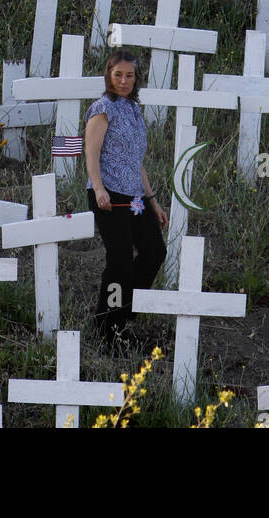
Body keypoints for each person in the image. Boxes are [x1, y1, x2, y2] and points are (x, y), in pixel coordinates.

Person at [85, 52, 168, 350]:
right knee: (119, 260)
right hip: (108, 194)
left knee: (155, 252)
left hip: (135, 196)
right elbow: (91, 153)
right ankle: (106, 327)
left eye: (129, 76)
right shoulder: (102, 109)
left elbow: (137, 162)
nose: (123, 81)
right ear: (108, 75)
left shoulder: (134, 110)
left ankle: (122, 315)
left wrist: (153, 201)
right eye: (118, 75)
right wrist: (98, 188)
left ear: (136, 78)